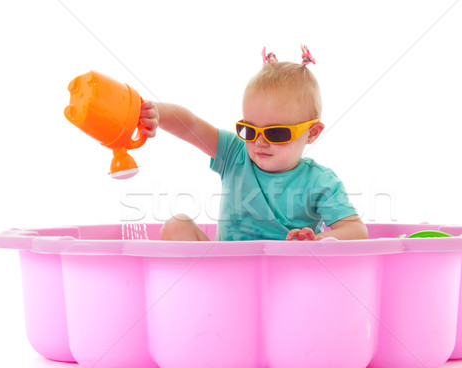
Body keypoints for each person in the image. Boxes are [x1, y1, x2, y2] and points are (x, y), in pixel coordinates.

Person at [138, 45, 368, 241]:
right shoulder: (235, 154)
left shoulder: (320, 181)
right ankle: (203, 290)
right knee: (176, 226)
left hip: (285, 279)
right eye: (249, 130)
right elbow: (191, 126)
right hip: (225, 273)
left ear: (311, 133)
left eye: (276, 133)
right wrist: (157, 113)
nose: (259, 142)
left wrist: (318, 240)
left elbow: (356, 231)